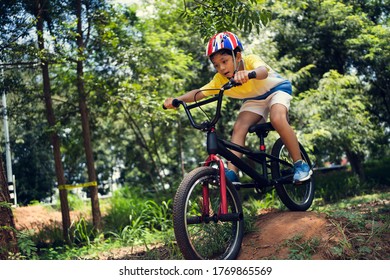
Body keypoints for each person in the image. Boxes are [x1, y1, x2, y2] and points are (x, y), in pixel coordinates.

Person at [164, 31, 312, 183]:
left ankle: (300, 164)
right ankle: (232, 173)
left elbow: (263, 72)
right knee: (239, 127)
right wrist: (177, 100)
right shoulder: (220, 79)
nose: (221, 68)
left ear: (238, 56)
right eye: (216, 65)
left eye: (224, 61)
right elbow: (199, 93)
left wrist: (248, 74)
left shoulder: (250, 61)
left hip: (276, 90)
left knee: (277, 118)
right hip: (254, 99)